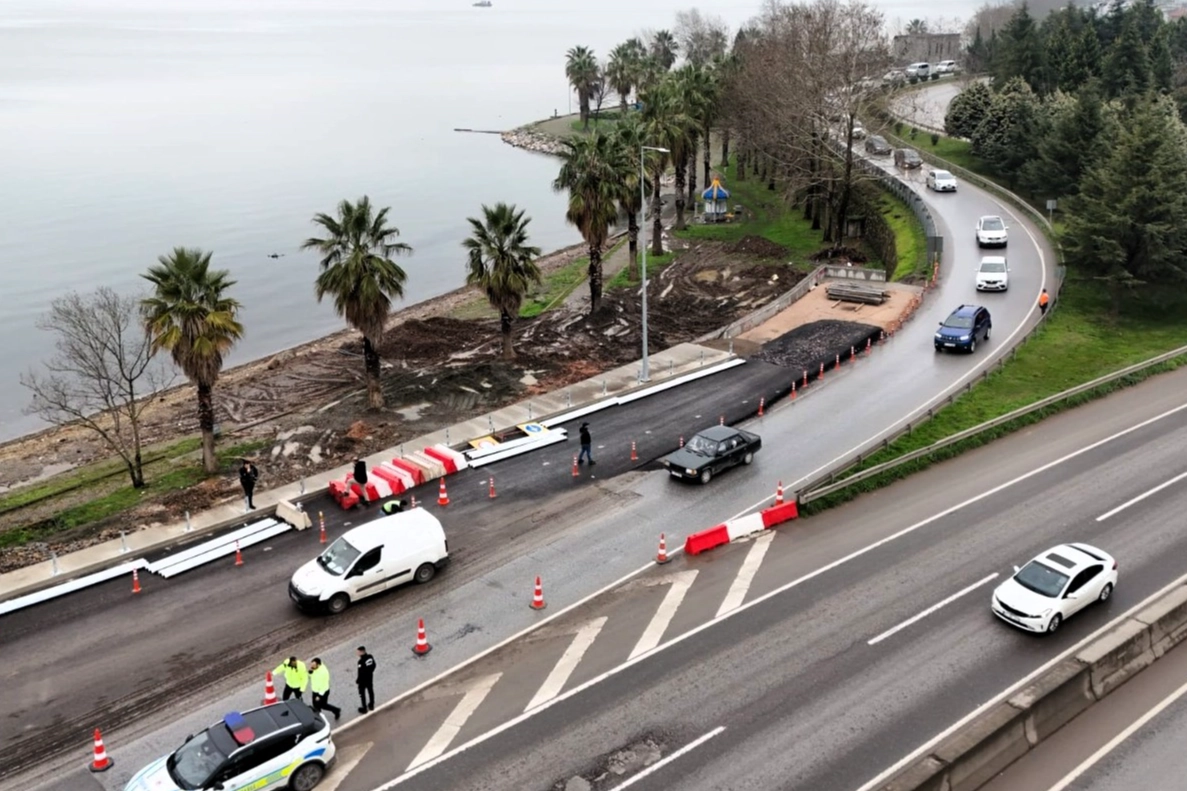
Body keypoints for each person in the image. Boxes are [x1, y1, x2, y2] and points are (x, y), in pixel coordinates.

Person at [356, 646, 376, 713]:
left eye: (358, 652)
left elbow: (360, 672)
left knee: (362, 694)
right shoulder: (370, 657)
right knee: (370, 691)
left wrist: (358, 680)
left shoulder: (361, 661)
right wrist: (370, 672)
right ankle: (371, 705)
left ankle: (364, 708)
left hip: (363, 681)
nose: (357, 653)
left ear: (362, 652)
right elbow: (374, 665)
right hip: (370, 678)